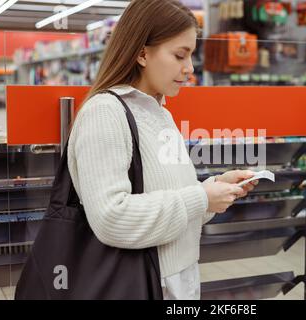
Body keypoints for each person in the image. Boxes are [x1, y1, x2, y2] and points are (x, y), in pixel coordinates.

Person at [67, 0, 258, 300]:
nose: (190, 67)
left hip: (178, 280)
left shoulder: (159, 113)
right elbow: (111, 218)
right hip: (139, 282)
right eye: (180, 55)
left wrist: (213, 192)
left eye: (191, 54)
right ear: (142, 52)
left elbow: (175, 202)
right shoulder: (104, 113)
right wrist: (200, 197)